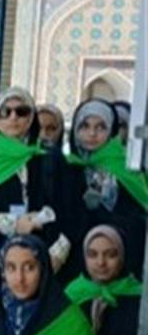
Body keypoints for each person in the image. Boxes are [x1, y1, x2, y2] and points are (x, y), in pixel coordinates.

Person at [0, 87, 70, 312]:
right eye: (5, 112)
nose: (13, 118)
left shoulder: (49, 158)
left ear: (31, 117)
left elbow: (70, 208)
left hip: (43, 259)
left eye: (21, 111)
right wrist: (10, 223)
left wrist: (60, 249)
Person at [63, 98, 147, 278]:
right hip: (73, 262)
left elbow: (138, 214)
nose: (92, 133)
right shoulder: (66, 166)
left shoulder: (125, 167)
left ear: (111, 131)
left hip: (118, 260)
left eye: (101, 127)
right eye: (85, 126)